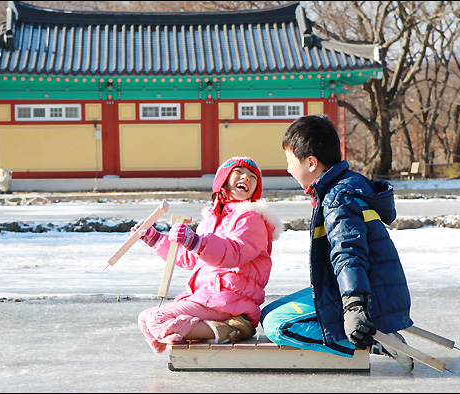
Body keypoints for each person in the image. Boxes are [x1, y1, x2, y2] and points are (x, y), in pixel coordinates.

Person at [261, 114, 415, 372]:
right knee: (269, 311)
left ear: (311, 163)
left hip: (367, 296)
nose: (288, 169)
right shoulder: (341, 187)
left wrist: (354, 306)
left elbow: (348, 253)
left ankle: (372, 343)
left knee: (278, 324)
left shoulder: (338, 198)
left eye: (290, 161)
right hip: (367, 287)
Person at [132, 156, 282, 354]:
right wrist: (157, 239)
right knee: (145, 319)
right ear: (223, 180)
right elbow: (192, 258)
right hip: (207, 296)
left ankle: (232, 328)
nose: (246, 178)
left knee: (156, 319)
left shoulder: (251, 218)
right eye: (239, 172)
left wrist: (197, 242)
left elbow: (235, 252)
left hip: (230, 299)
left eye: (253, 177)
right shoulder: (212, 220)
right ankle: (214, 330)